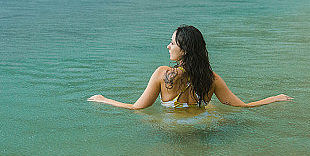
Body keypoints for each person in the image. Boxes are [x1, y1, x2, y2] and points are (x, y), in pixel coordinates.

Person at [87, 25, 292, 109]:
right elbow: (243, 106)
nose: (168, 46)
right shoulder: (211, 79)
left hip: (170, 133)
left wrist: (104, 100)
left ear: (184, 50)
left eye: (172, 43)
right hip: (202, 132)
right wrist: (274, 98)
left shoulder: (162, 74)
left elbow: (136, 108)